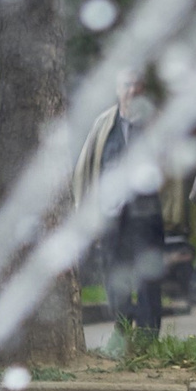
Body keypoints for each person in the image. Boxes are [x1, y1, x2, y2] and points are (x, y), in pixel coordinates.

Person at [75, 75, 166, 337]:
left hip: (147, 214)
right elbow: (86, 167)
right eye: (127, 85)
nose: (132, 91)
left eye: (138, 84)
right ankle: (123, 329)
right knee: (114, 272)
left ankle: (149, 335)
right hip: (111, 215)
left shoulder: (155, 121)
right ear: (117, 89)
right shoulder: (104, 124)